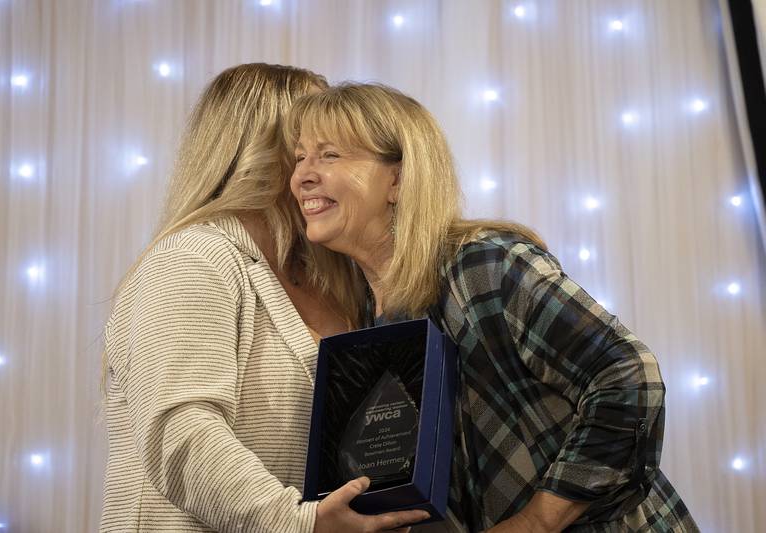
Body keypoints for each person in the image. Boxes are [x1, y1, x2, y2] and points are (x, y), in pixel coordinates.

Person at [286, 83, 700, 532]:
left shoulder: (483, 265)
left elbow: (627, 376)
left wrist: (538, 521)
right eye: (299, 157)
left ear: (397, 180)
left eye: (329, 155)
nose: (303, 175)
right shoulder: (366, 317)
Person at [101, 64, 431, 532]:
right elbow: (182, 434)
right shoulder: (193, 259)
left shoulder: (336, 280)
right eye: (311, 148)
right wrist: (301, 524)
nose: (318, 169)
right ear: (264, 152)